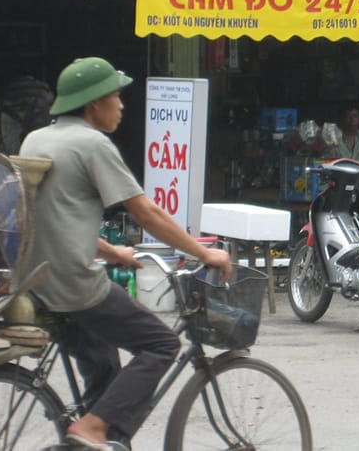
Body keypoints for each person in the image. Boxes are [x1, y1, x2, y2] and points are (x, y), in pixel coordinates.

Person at [18, 57, 233, 449]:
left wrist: (108, 249)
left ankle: (90, 436)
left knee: (103, 368)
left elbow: (51, 217)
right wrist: (205, 255)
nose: (121, 105)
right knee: (162, 345)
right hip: (75, 283)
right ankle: (90, 429)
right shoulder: (92, 144)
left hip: (37, 279)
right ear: (93, 103)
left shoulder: (38, 139)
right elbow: (146, 213)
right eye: (116, 96)